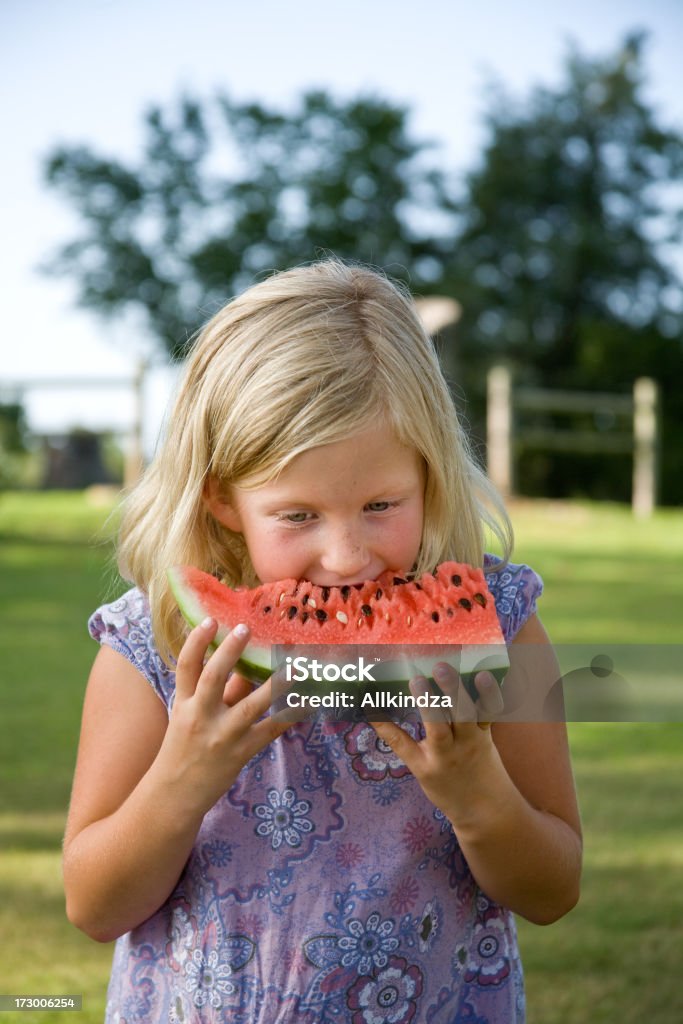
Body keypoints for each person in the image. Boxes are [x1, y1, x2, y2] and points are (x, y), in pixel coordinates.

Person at [64, 259, 582, 1023]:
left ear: (431, 478)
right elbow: (94, 905)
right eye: (297, 515)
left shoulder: (494, 624)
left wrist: (480, 799)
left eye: (380, 504)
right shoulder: (155, 644)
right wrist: (184, 775)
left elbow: (551, 892)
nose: (345, 556)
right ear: (222, 498)